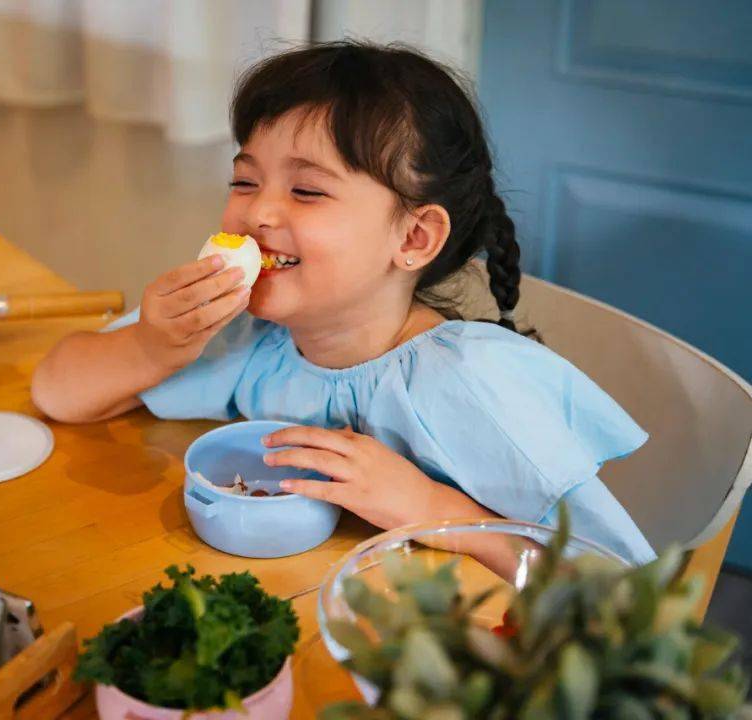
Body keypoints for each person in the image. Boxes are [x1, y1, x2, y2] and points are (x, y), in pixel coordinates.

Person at [32, 42, 655, 565]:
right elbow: (59, 393)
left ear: (413, 238)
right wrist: (150, 346)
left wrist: (439, 512)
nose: (257, 212)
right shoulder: (252, 337)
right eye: (244, 180)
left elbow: (616, 587)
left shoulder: (472, 388)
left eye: (306, 190)